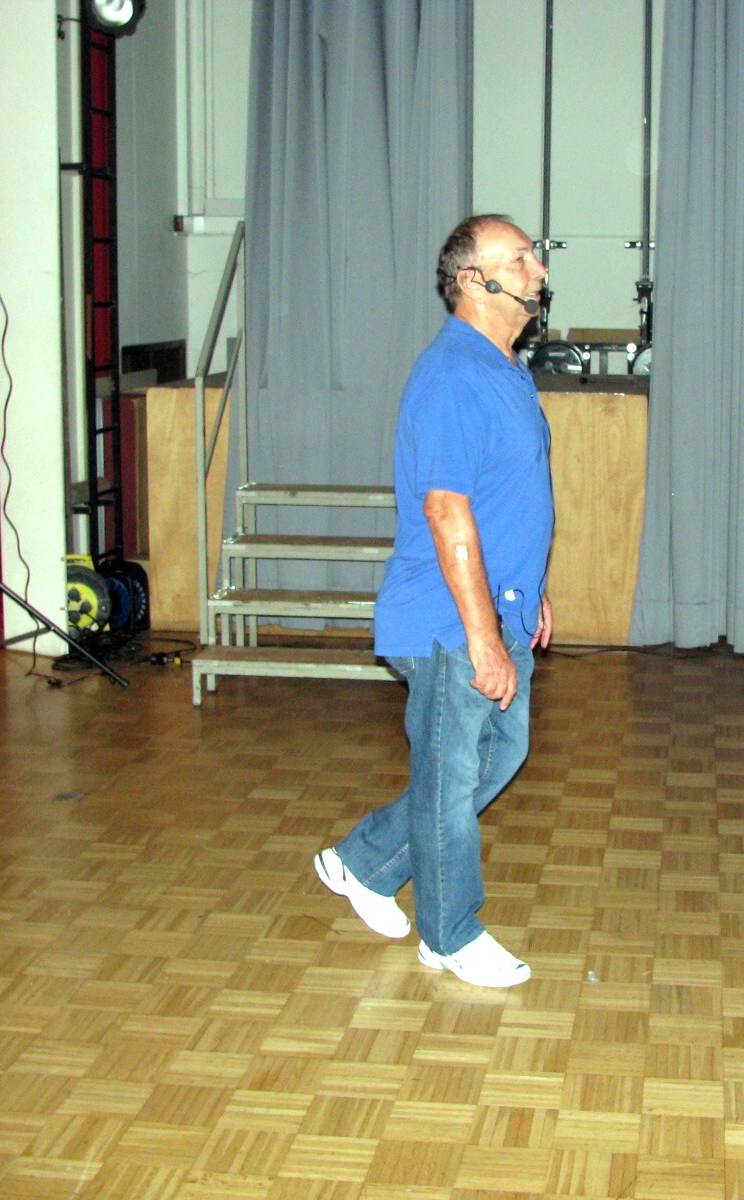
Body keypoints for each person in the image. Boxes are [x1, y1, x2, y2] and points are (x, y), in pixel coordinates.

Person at [314, 214, 555, 989]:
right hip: (450, 619)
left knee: (497, 755)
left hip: (497, 605)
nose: (538, 269)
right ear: (472, 281)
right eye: (520, 258)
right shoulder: (452, 373)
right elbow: (446, 510)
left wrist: (533, 590)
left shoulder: (504, 368)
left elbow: (505, 495)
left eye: (535, 256)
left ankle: (364, 861)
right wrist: (482, 637)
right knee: (451, 781)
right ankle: (449, 934)